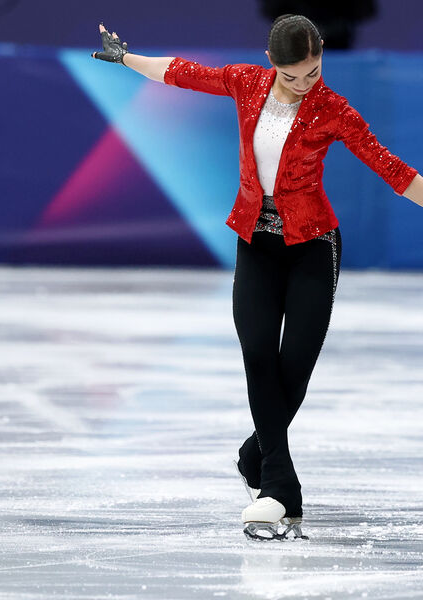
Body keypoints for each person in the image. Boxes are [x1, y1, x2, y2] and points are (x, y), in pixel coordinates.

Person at [92, 15, 423, 540]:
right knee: (257, 355)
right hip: (255, 242)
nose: (304, 83)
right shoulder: (246, 83)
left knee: (293, 369)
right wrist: (127, 58)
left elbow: (393, 170)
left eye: (313, 71)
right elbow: (183, 72)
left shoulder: (334, 109)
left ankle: (256, 457)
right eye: (292, 75)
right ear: (272, 63)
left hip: (314, 247)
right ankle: (278, 487)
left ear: (321, 55)